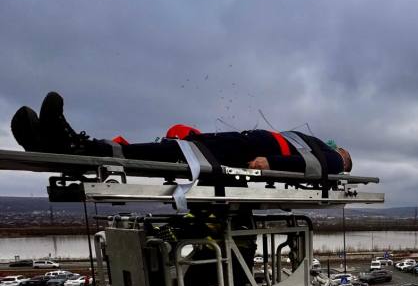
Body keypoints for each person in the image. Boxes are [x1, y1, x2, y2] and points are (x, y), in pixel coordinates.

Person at [10, 92, 352, 181]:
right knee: (173, 148)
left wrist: (272, 163)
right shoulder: (311, 142)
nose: (338, 148)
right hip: (239, 144)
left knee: (171, 153)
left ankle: (76, 147)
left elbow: (319, 167)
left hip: (245, 153)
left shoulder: (332, 157)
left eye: (344, 152)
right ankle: (62, 144)